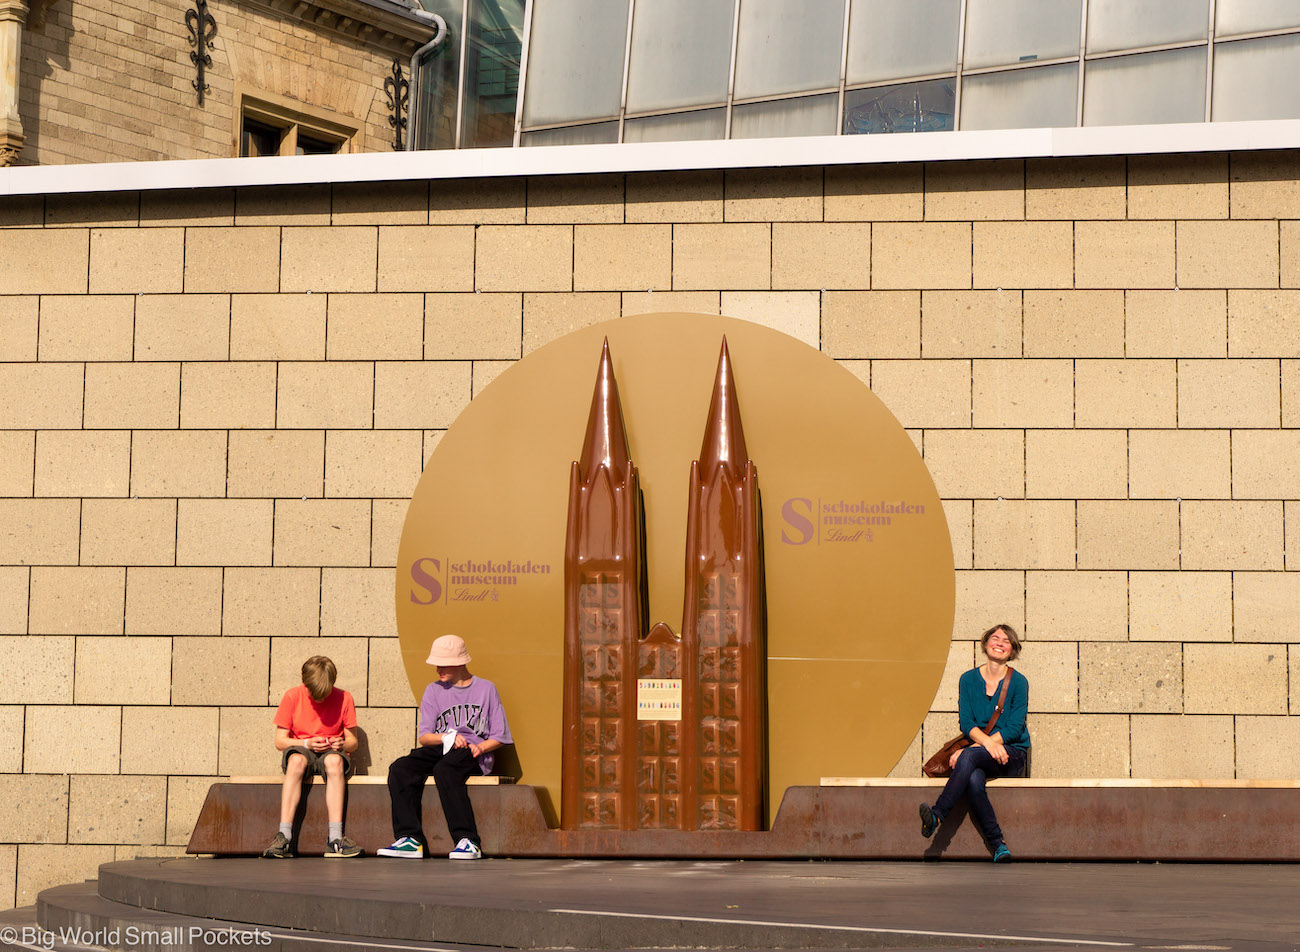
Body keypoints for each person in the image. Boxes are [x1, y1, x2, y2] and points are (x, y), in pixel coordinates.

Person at [379, 634, 513, 860]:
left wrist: (479, 748)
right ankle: (410, 839)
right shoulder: (433, 690)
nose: (438, 669)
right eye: (437, 664)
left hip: (472, 752)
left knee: (445, 770)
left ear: (460, 662)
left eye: (444, 664)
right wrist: (446, 737)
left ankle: (468, 841)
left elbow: (500, 736)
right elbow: (425, 737)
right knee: (400, 768)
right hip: (443, 747)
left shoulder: (486, 689)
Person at [919, 624, 1030, 863]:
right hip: (986, 750)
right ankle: (998, 844)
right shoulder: (968, 679)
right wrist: (987, 745)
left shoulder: (1019, 682)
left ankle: (937, 815)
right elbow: (967, 723)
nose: (999, 643)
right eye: (995, 638)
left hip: (1012, 753)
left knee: (967, 757)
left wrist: (979, 747)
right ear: (985, 643)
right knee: (972, 779)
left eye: (1006, 641)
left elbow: (1014, 728)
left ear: (1012, 651)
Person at [262, 655, 361, 858]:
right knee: (296, 761)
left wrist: (341, 743)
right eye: (315, 694)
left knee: (334, 762)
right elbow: (280, 741)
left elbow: (353, 742)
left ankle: (335, 838)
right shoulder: (292, 696)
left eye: (324, 695)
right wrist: (305, 743)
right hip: (302, 749)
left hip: (330, 751)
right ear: (305, 683)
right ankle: (284, 836)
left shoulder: (345, 698)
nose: (320, 700)